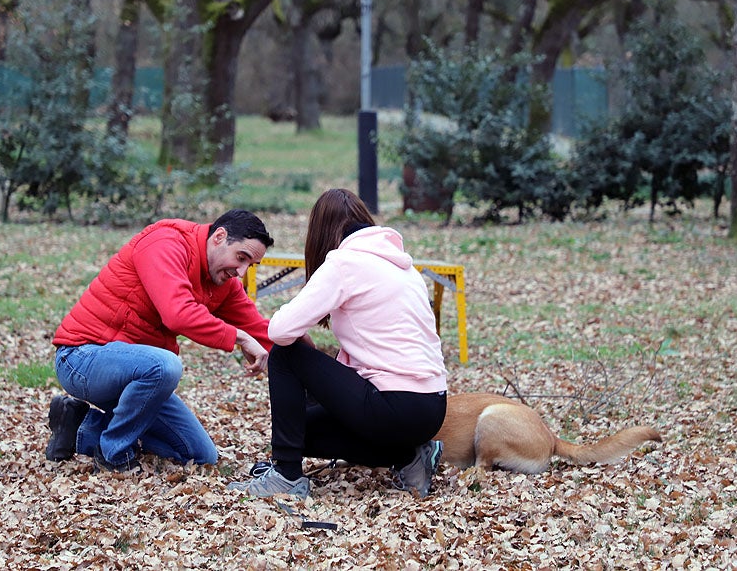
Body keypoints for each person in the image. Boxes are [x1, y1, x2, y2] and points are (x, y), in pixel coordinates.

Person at [228, 188, 448, 499]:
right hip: (432, 407)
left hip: (393, 403)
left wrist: (298, 337)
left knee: (285, 355)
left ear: (320, 232)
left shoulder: (344, 262)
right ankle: (411, 457)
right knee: (299, 430)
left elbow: (279, 330)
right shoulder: (402, 266)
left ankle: (286, 477)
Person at [44, 209, 275, 473]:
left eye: (250, 265)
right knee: (166, 365)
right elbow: (178, 313)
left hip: (138, 376)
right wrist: (239, 337)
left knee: (198, 454)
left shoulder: (222, 280)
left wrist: (305, 353)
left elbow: (259, 329)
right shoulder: (165, 243)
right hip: (82, 357)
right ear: (219, 237)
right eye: (241, 258)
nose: (242, 272)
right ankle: (113, 455)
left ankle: (79, 425)